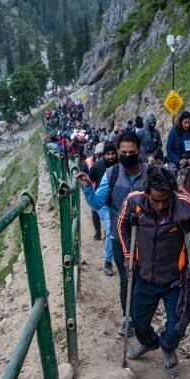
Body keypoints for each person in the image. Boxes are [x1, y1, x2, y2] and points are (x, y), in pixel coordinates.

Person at [117, 166, 190, 375]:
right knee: (138, 323)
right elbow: (122, 225)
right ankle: (150, 342)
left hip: (174, 279)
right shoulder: (134, 202)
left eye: (166, 200)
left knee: (177, 326)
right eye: (156, 200)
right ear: (147, 193)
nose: (161, 205)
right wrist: (128, 254)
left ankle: (167, 346)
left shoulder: (184, 206)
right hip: (145, 276)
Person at [77, 131, 147, 336]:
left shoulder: (150, 174)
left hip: (147, 238)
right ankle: (129, 318)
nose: (127, 155)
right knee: (126, 279)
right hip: (120, 237)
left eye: (131, 152)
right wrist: (88, 188)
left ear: (138, 151)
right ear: (117, 152)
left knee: (144, 280)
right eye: (123, 152)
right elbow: (97, 203)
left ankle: (142, 317)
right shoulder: (112, 174)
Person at [88, 142, 118, 276]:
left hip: (117, 203)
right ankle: (108, 262)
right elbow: (89, 180)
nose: (111, 156)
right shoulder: (97, 166)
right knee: (111, 229)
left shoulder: (120, 166)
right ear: (103, 155)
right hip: (103, 204)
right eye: (108, 154)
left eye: (113, 154)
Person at [82, 143, 103, 241]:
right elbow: (83, 178)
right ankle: (98, 233)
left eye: (102, 154)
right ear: (95, 154)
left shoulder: (109, 162)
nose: (101, 157)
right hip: (94, 191)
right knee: (95, 212)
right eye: (99, 155)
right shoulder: (88, 163)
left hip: (104, 191)